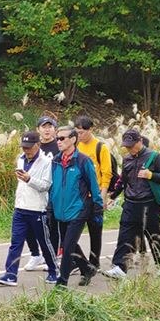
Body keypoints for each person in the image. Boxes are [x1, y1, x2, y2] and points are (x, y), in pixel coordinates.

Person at [104, 130, 160, 279]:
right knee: (124, 236)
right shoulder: (127, 158)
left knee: (153, 235)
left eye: (132, 145)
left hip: (149, 204)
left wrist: (151, 175)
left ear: (140, 141)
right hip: (130, 203)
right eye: (127, 146)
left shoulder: (154, 157)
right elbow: (123, 180)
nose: (130, 149)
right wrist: (113, 195)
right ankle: (119, 267)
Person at [0, 131, 58, 286]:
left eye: (29, 147)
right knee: (15, 243)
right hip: (20, 208)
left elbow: (45, 185)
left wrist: (29, 179)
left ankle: (53, 270)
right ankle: (10, 275)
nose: (26, 150)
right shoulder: (21, 159)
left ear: (38, 145)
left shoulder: (46, 162)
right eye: (24, 147)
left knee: (44, 242)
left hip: (37, 209)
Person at [50, 126, 103, 288]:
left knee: (67, 246)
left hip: (79, 209)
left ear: (73, 139)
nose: (58, 141)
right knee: (67, 243)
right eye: (57, 138)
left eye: (62, 138)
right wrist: (50, 206)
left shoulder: (83, 161)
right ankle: (87, 268)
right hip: (60, 210)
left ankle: (62, 282)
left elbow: (94, 187)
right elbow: (54, 186)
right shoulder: (55, 160)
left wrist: (97, 208)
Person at [75, 115, 112, 272]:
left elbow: (107, 173)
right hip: (80, 196)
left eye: (82, 132)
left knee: (95, 231)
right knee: (73, 230)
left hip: (95, 195)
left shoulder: (100, 147)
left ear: (90, 130)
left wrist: (103, 197)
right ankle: (80, 262)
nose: (79, 135)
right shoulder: (76, 146)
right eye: (77, 132)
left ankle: (94, 262)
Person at [24, 115, 59, 271]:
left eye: (50, 126)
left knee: (51, 225)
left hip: (53, 191)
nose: (47, 129)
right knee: (27, 225)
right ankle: (35, 254)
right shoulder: (32, 146)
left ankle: (51, 256)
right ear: (38, 129)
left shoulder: (59, 146)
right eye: (43, 127)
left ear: (55, 129)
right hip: (32, 191)